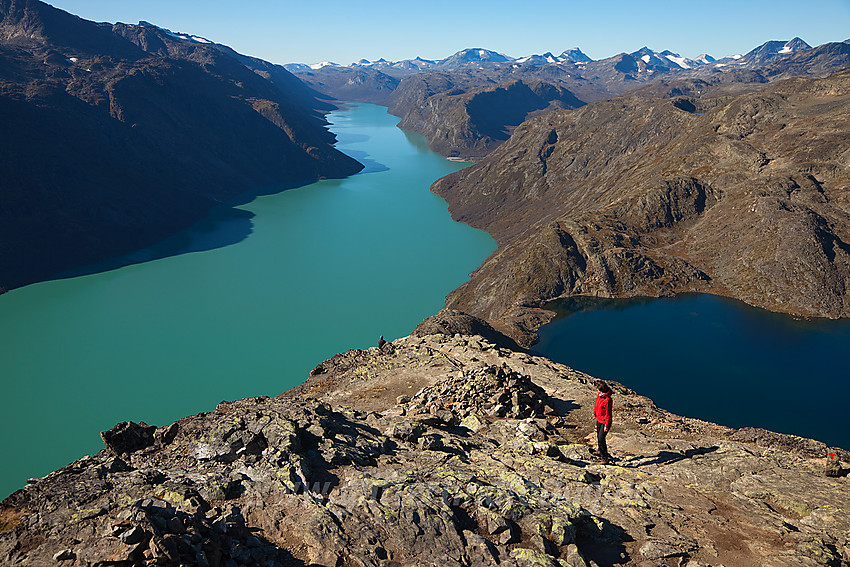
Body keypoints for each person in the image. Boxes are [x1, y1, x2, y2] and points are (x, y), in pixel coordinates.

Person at [593, 380, 613, 464]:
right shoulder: (600, 395)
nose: (597, 390)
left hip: (605, 422)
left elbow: (608, 413)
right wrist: (594, 412)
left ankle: (605, 457)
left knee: (601, 438)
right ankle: (599, 450)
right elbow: (597, 404)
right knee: (598, 435)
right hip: (599, 419)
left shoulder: (607, 399)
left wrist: (607, 425)